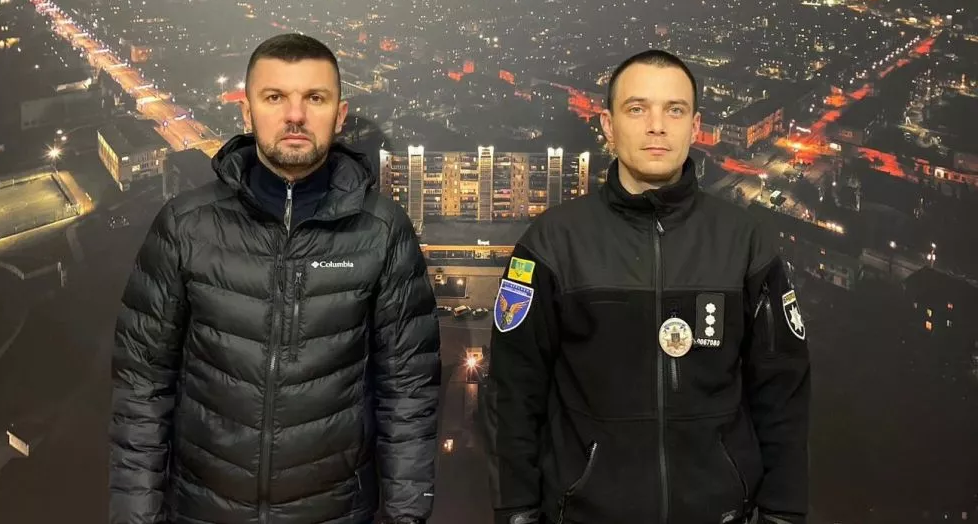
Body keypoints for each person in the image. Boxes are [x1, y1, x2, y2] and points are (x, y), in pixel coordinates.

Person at [109, 33, 441, 524]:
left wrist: (406, 518)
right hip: (202, 512)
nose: (295, 115)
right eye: (274, 97)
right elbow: (142, 388)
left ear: (340, 115)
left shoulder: (382, 232)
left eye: (315, 98)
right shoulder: (185, 226)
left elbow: (408, 393)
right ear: (247, 112)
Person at [482, 50, 810, 524]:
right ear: (608, 125)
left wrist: (783, 513)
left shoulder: (744, 242)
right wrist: (516, 511)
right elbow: (513, 391)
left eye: (674, 110)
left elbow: (783, 392)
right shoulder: (553, 242)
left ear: (694, 127)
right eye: (637, 109)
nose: (657, 126)